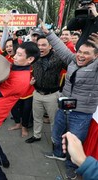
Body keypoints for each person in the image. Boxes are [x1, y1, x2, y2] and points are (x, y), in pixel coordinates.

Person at [41, 24, 98, 179]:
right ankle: (58, 153)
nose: (81, 55)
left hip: (81, 113)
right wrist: (49, 33)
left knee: (74, 141)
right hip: (64, 107)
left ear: (95, 57)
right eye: (80, 51)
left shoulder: (95, 68)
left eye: (86, 53)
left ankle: (71, 168)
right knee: (57, 134)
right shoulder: (73, 60)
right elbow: (62, 49)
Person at [0, 42, 40, 180]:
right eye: (16, 53)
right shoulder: (16, 67)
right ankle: (2, 160)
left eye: (19, 55)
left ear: (30, 59)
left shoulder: (20, 80)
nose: (14, 56)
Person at [25, 36, 67, 143]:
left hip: (52, 95)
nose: (40, 48)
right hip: (37, 93)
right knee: (37, 117)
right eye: (38, 45)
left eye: (43, 45)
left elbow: (71, 67)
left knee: (54, 120)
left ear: (50, 46)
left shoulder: (59, 57)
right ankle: (36, 135)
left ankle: (55, 141)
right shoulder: (34, 57)